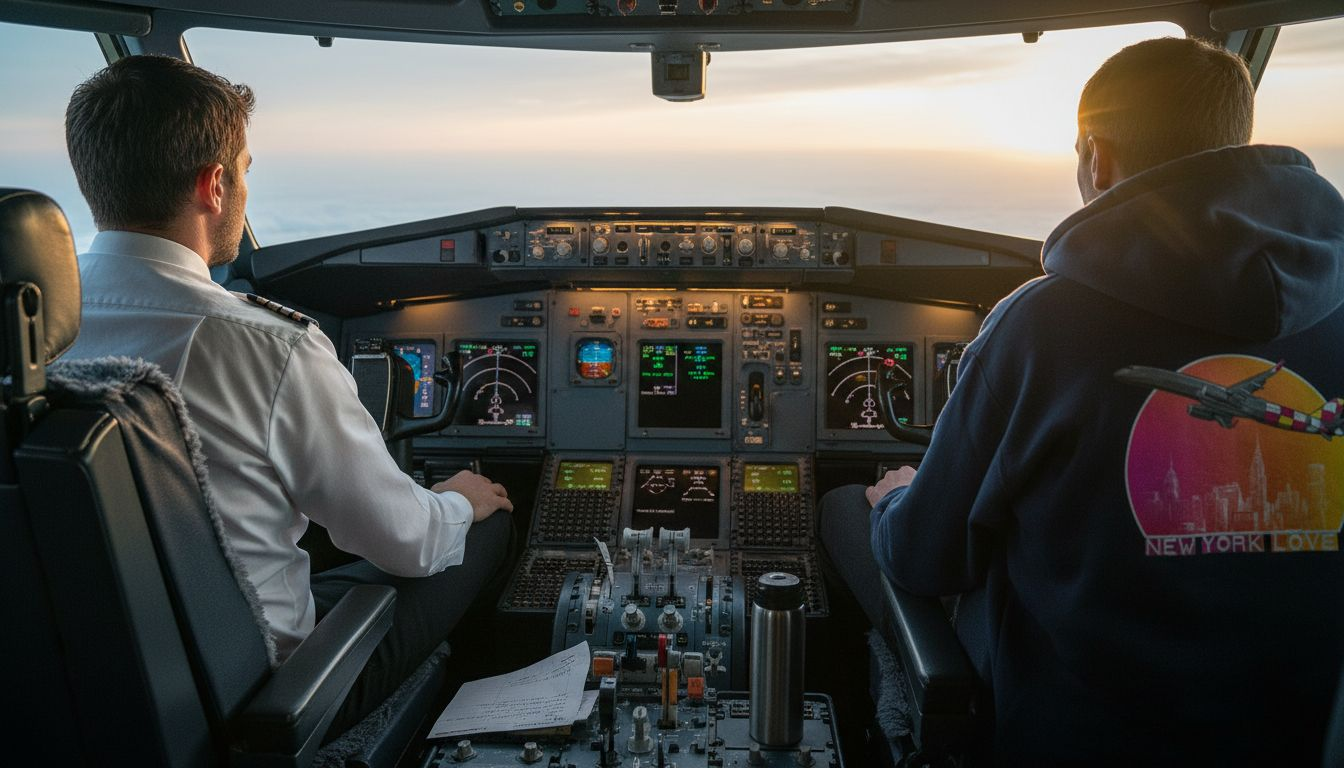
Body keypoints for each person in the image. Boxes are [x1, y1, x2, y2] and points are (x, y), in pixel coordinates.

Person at [819, 36, 1344, 764]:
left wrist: (902, 498)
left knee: (852, 508)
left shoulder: (1045, 324)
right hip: (1290, 733)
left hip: (1066, 734)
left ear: (1097, 156)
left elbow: (926, 559)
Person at [62, 54, 514, 735]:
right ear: (214, 186)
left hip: (78, 669)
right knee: (482, 524)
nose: (243, 185)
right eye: (244, 168)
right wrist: (458, 499)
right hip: (253, 693)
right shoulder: (268, 347)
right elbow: (406, 542)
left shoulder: (33, 328)